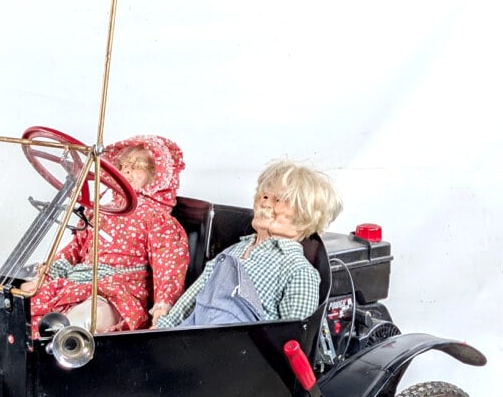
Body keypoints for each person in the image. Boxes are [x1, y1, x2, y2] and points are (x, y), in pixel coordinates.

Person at [21, 134, 189, 333]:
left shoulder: (158, 220)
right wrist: (48, 273)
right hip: (80, 283)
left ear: (157, 174)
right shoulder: (101, 211)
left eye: (138, 165)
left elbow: (168, 266)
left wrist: (163, 305)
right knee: (24, 302)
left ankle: (64, 344)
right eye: (123, 164)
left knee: (84, 320)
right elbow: (75, 248)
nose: (127, 169)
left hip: (119, 294)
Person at [154, 159, 342, 328]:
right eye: (264, 196)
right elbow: (189, 302)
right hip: (191, 344)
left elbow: (292, 338)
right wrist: (160, 330)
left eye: (279, 200)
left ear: (305, 215)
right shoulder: (231, 252)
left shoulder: (297, 270)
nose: (266, 204)